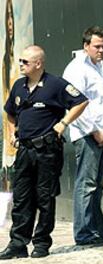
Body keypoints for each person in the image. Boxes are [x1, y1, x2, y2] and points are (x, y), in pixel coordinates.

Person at [0, 45, 88, 259]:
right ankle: (18, 244)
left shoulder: (55, 85)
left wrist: (64, 122)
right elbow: (10, 113)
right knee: (21, 198)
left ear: (38, 64)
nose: (21, 65)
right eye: (20, 61)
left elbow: (81, 101)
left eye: (25, 62)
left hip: (47, 150)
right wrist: (12, 133)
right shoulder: (19, 86)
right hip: (25, 150)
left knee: (45, 198)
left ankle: (41, 243)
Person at [63, 26, 103, 246]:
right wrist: (94, 131)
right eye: (97, 46)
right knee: (86, 184)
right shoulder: (77, 68)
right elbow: (75, 104)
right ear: (86, 45)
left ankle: (99, 228)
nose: (101, 50)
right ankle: (83, 232)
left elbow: (102, 101)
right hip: (89, 134)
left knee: (97, 184)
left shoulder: (98, 66)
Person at [2, 0, 19, 169]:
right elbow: (6, 94)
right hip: (14, 115)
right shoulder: (6, 61)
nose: (10, 24)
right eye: (7, 19)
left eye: (11, 19)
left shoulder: (18, 55)